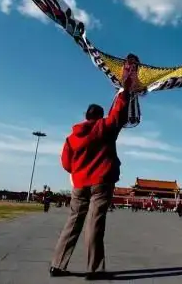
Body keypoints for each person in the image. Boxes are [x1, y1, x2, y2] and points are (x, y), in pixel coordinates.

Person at [49, 81, 131, 280]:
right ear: (100, 116)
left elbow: (66, 163)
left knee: (73, 222)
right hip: (101, 182)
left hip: (79, 184)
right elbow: (118, 114)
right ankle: (94, 269)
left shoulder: (71, 138)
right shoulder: (104, 127)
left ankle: (57, 265)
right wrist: (124, 91)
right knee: (94, 224)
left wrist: (78, 171)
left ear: (86, 116)